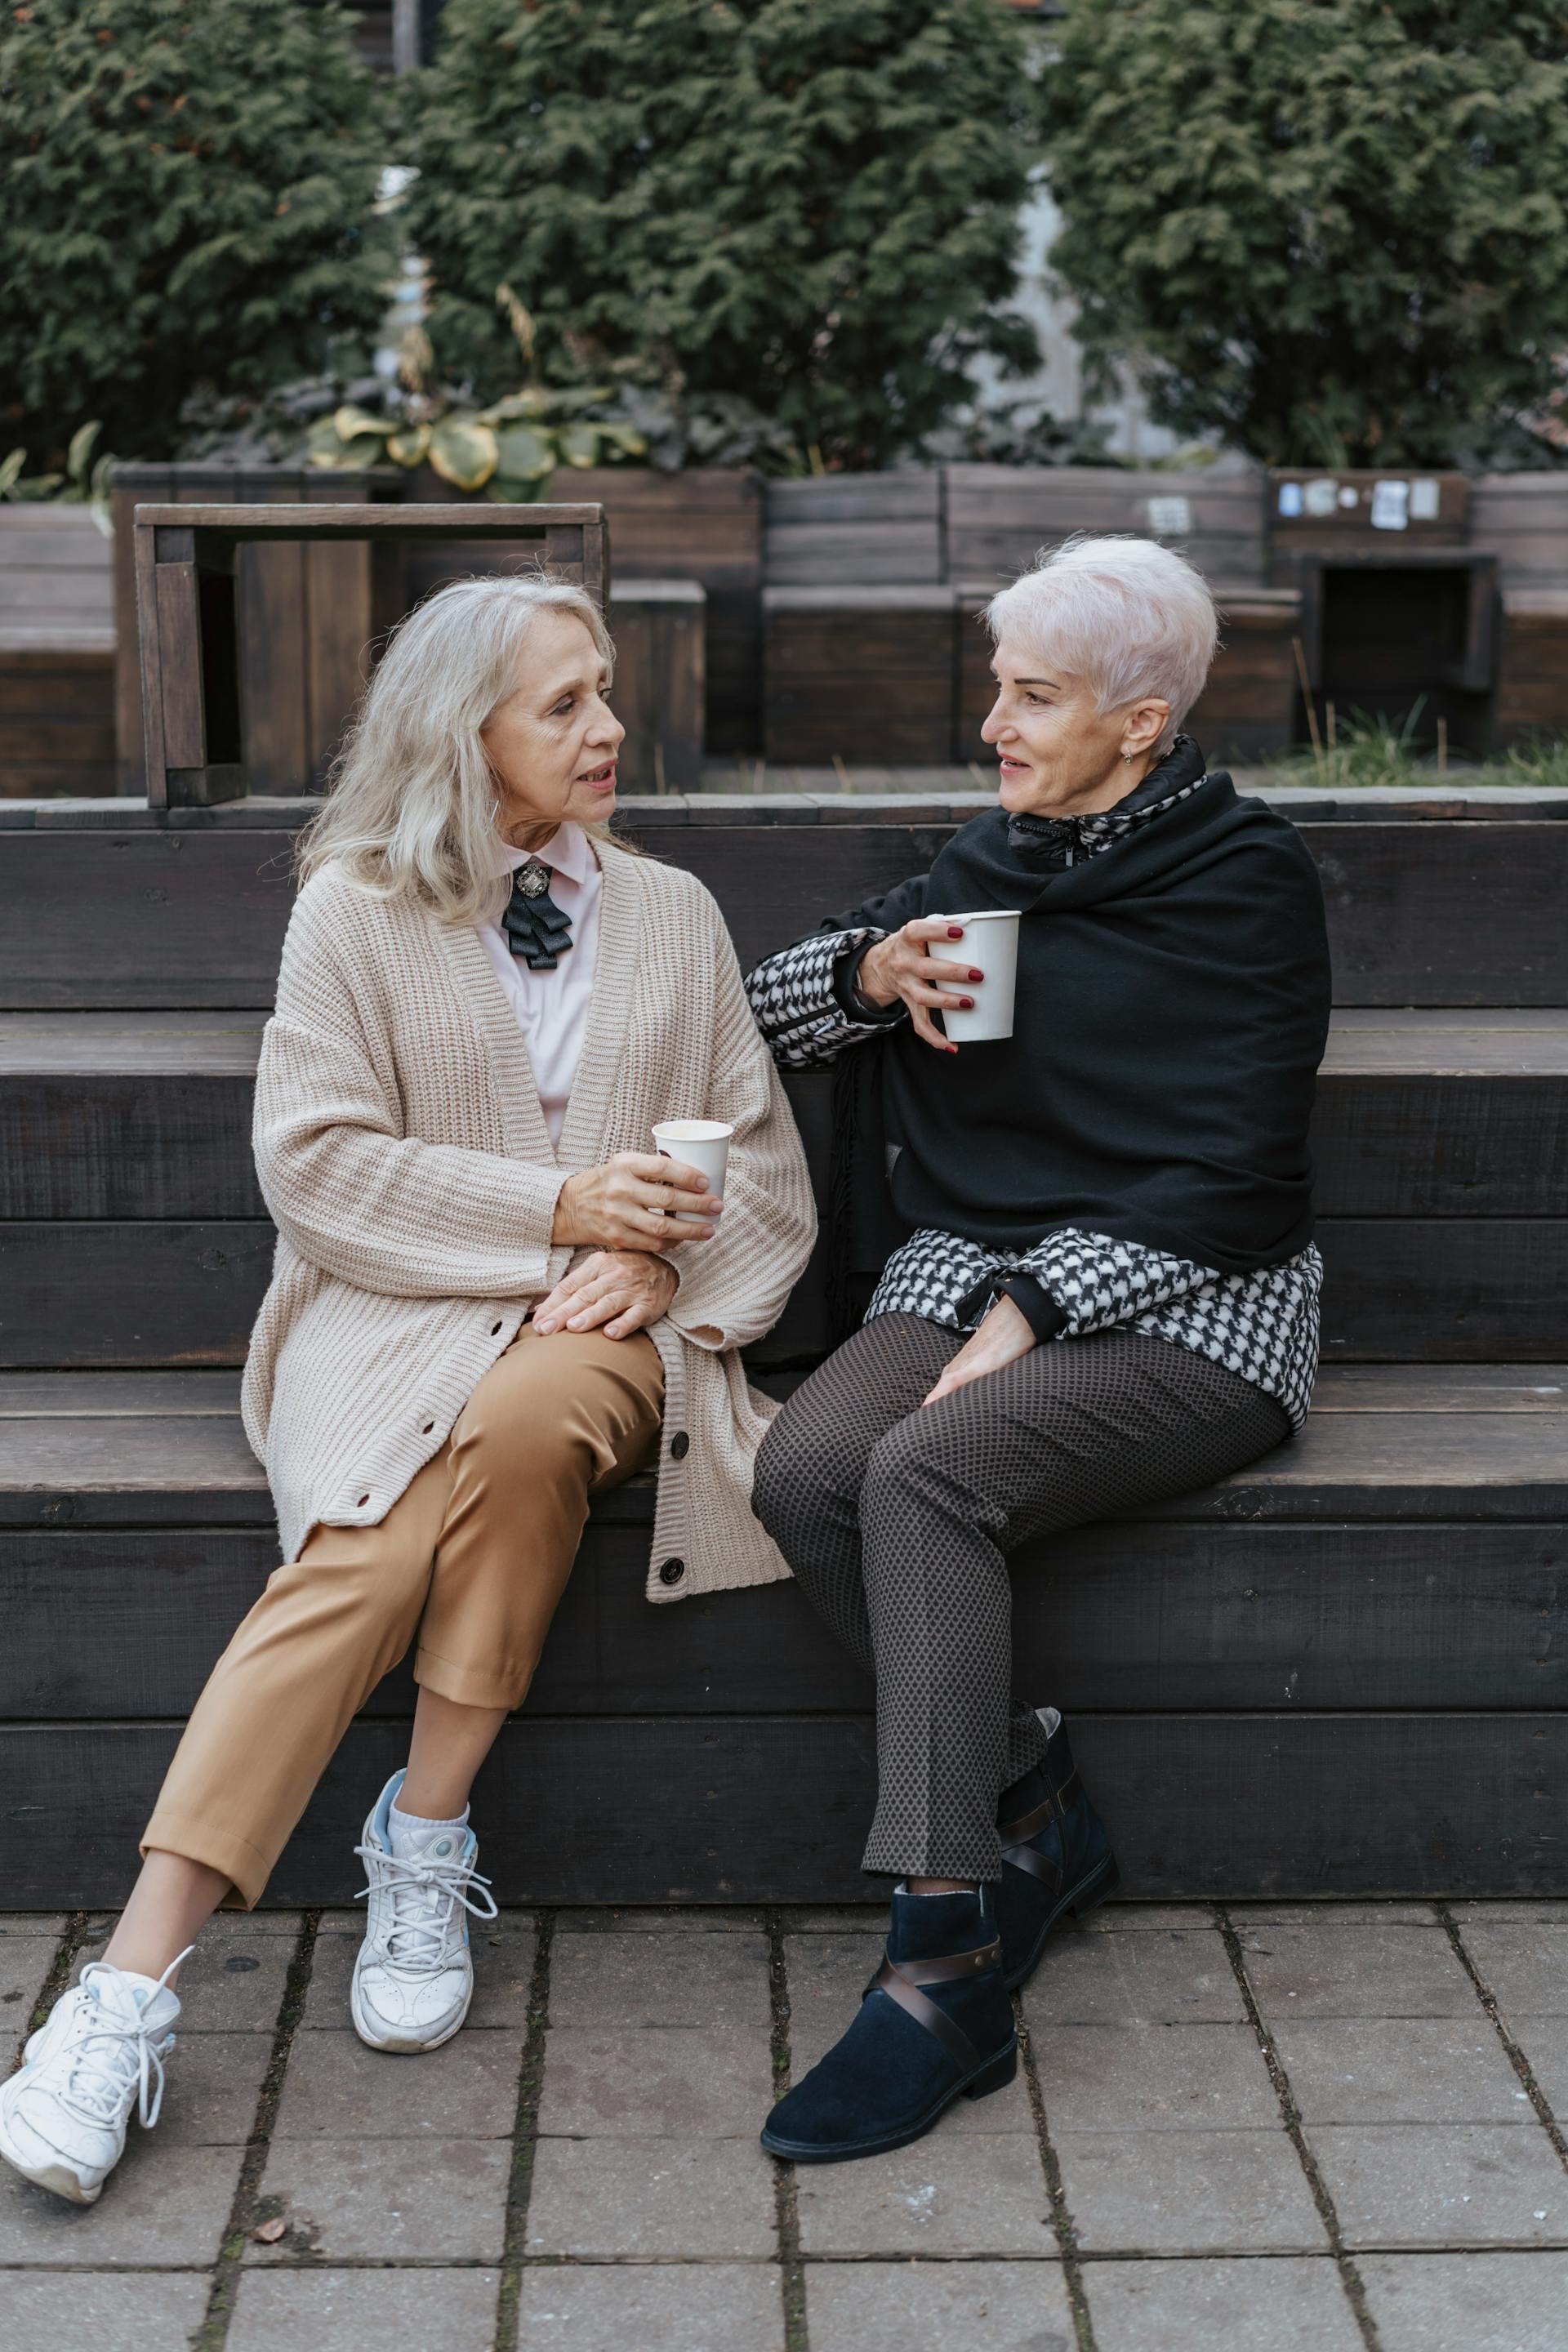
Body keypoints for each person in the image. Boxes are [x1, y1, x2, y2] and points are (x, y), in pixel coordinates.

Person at [0, 574, 815, 2207]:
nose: (608, 730)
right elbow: (313, 1169)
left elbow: (766, 1175)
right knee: (365, 1550)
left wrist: (654, 1269)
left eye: (602, 692)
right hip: (384, 1324)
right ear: (466, 736)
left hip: (612, 1338)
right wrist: (555, 1210)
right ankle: (134, 1984)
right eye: (564, 704)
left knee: (531, 1418)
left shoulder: (676, 914)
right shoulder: (354, 912)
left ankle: (418, 1836)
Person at [745, 535, 1331, 2163]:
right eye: (998, 684)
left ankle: (947, 1963)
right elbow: (762, 1009)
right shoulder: (989, 861)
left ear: (1140, 722)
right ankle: (1034, 1806)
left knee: (925, 1471)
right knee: (799, 1470)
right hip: (966, 1263)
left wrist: (1039, 1308)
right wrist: (868, 977)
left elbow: (1242, 1178)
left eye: (1034, 695)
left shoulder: (1248, 882)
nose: (993, 720)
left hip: (1194, 1299)